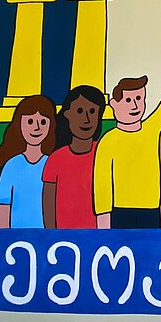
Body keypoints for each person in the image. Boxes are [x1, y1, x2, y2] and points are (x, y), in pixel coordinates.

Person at [94, 39, 161, 229]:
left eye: (139, 98)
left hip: (150, 210)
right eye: (128, 100)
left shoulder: (151, 128)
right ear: (114, 104)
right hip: (120, 212)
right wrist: (103, 226)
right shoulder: (108, 140)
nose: (135, 105)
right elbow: (102, 186)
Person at [42, 86, 107, 229]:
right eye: (79, 111)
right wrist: (52, 235)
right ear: (67, 114)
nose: (86, 119)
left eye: (92, 112)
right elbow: (49, 207)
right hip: (64, 236)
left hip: (98, 235)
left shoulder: (104, 153)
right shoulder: (55, 159)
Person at [0, 95, 56, 228]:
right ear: (19, 123)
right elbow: (3, 207)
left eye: (43, 122)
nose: (37, 127)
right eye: (30, 121)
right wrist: (4, 237)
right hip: (16, 236)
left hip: (47, 236)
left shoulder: (51, 163)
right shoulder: (11, 166)